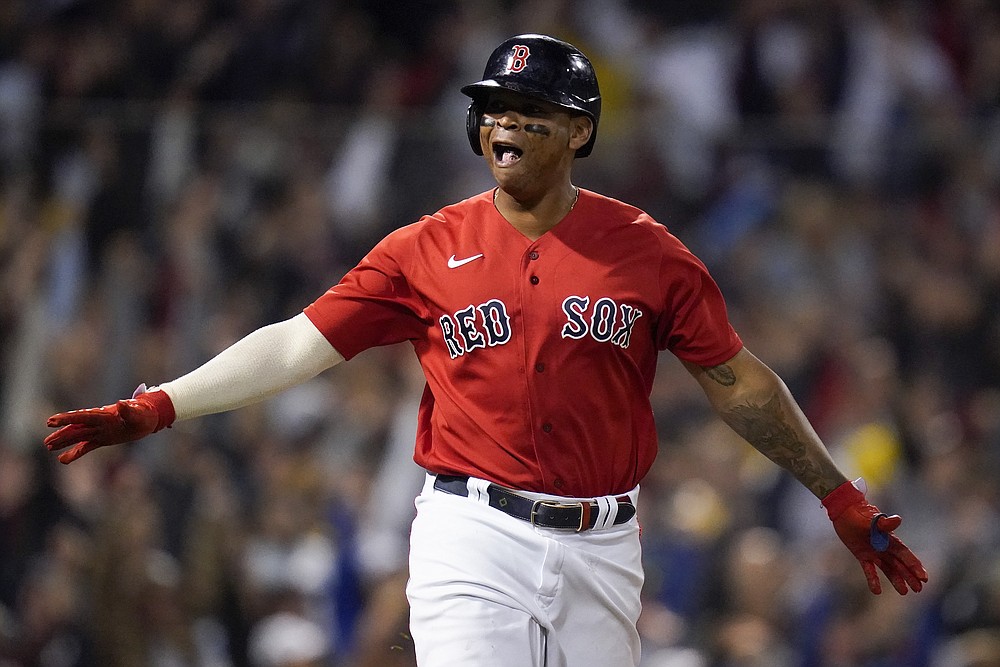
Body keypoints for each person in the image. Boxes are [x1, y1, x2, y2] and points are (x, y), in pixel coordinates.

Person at [45, 34, 928, 666]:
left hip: (605, 543)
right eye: (494, 107)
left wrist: (838, 493)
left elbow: (739, 385)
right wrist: (160, 403)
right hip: (472, 530)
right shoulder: (422, 247)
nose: (505, 122)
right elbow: (294, 346)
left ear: (580, 130)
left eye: (531, 110)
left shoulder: (648, 251)